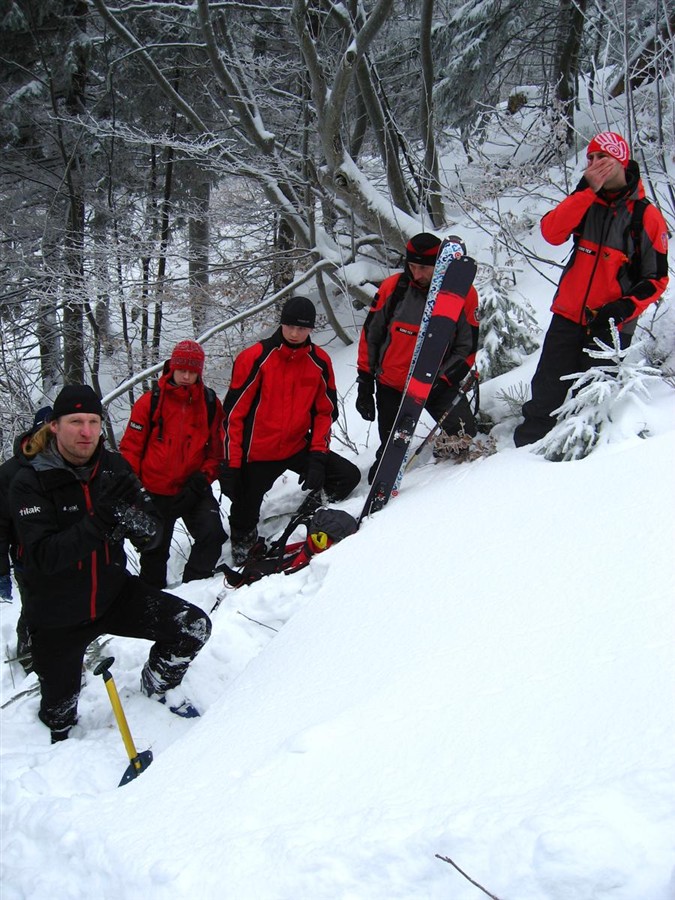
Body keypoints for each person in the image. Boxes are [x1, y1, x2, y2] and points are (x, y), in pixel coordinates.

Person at [9, 385, 212, 742]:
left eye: (93, 421)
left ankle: (158, 684)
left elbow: (152, 533)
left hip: (113, 594)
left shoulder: (113, 468)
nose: (86, 432)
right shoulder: (30, 480)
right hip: (57, 614)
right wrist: (102, 521)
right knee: (59, 719)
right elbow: (44, 555)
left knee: (193, 627)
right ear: (54, 426)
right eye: (75, 422)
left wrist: (143, 528)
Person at [514, 131, 669, 447]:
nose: (595, 164)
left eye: (603, 158)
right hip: (568, 316)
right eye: (591, 158)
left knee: (591, 405)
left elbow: (657, 278)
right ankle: (522, 458)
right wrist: (585, 192)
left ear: (621, 161)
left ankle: (582, 472)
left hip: (610, 326)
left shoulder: (646, 216)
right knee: (545, 395)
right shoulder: (583, 201)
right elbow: (552, 232)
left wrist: (624, 309)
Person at [220, 296, 361, 565]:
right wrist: (231, 465)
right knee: (243, 511)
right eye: (290, 326)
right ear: (281, 324)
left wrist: (317, 456)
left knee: (347, 477)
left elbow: (325, 412)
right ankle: (243, 551)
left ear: (310, 330)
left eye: (302, 328)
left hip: (297, 446)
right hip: (257, 454)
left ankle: (311, 510)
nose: (295, 333)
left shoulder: (319, 361)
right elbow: (232, 417)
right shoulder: (255, 358)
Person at [355, 232, 479, 482]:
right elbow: (371, 335)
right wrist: (365, 382)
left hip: (436, 384)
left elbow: (466, 348)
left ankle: (440, 458)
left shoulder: (463, 294)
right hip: (392, 383)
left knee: (465, 436)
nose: (417, 274)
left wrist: (441, 381)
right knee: (391, 449)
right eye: (412, 266)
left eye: (424, 268)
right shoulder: (394, 288)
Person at [120, 340, 227, 588]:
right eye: (182, 371)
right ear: (171, 368)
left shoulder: (210, 404)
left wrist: (202, 480)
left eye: (192, 372)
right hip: (154, 491)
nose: (187, 376)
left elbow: (216, 452)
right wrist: (135, 492)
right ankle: (154, 600)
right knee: (154, 554)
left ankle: (194, 588)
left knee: (212, 535)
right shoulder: (149, 403)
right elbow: (130, 450)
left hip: (193, 488)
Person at [0, 405, 52, 674]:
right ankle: (28, 653)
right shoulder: (9, 473)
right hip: (25, 558)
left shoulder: (65, 465)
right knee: (33, 606)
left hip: (61, 553)